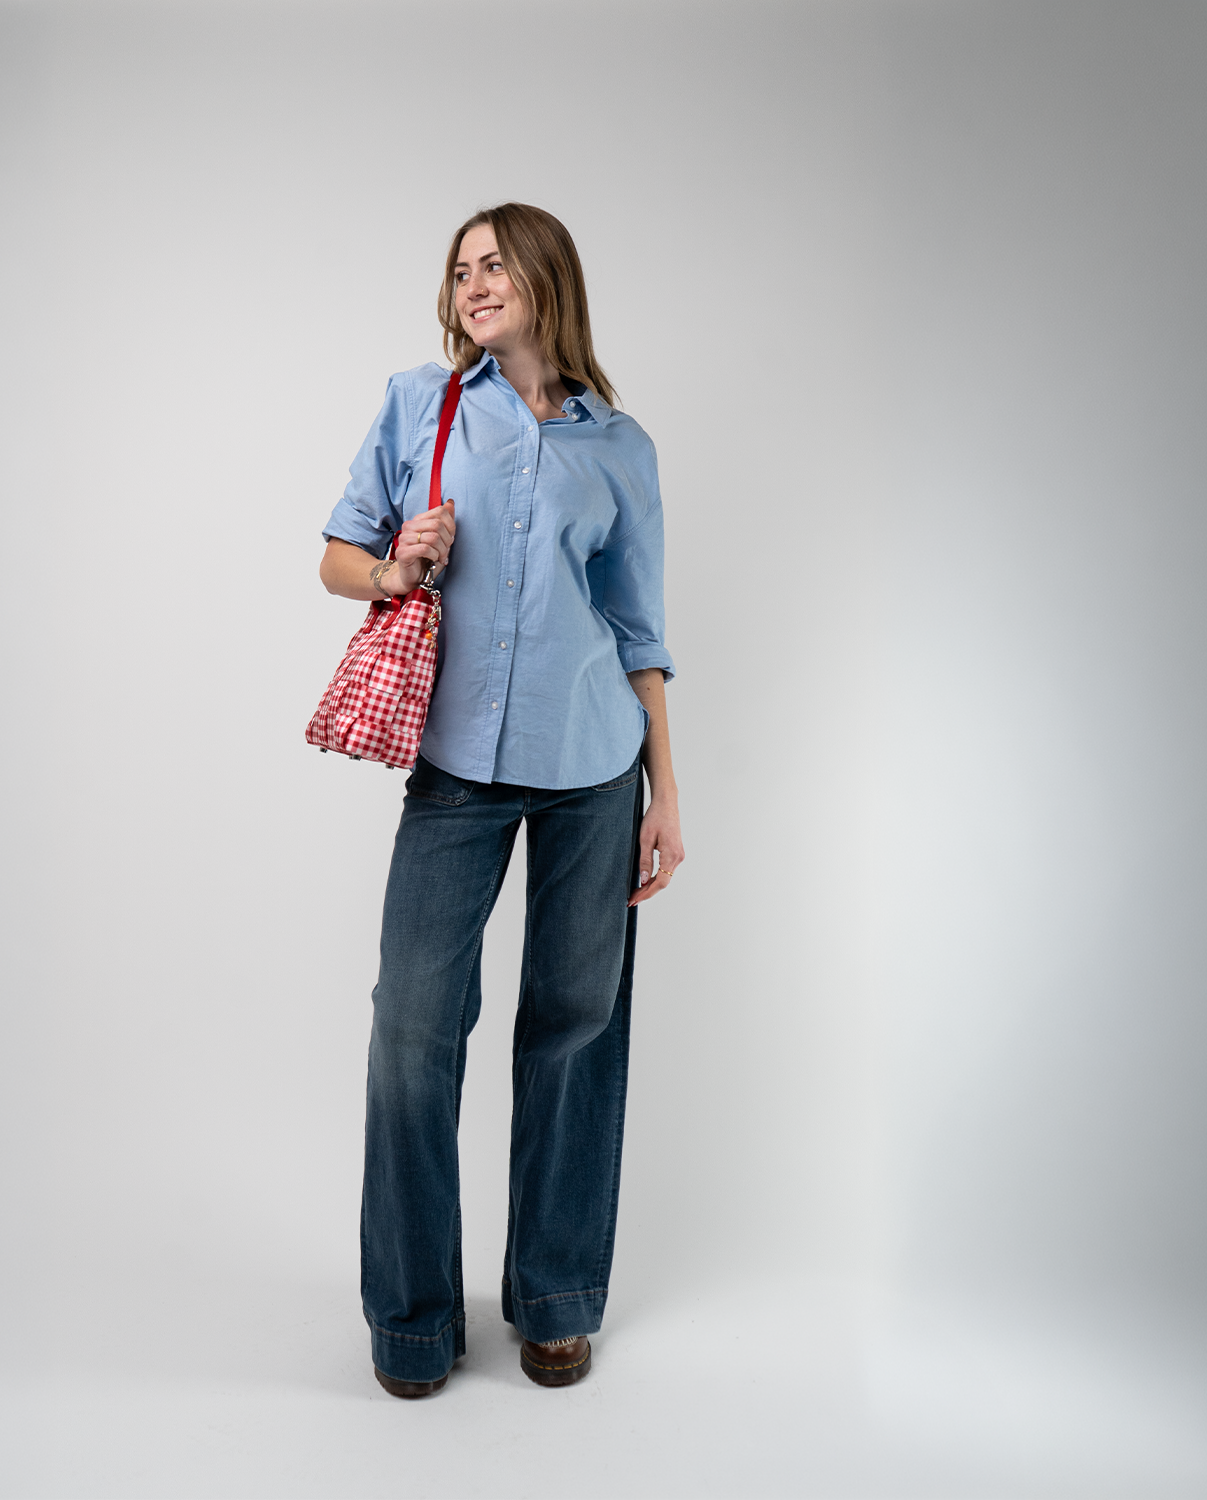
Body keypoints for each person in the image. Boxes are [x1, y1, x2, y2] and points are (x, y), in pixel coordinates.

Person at [318, 203, 683, 1397]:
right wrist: (395, 566)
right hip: (456, 768)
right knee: (413, 1028)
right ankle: (414, 1322)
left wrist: (664, 792)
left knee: (575, 1029)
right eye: (461, 268)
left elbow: (639, 630)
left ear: (545, 279)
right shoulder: (421, 406)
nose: (475, 283)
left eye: (495, 264)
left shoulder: (617, 444)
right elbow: (337, 555)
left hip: (594, 764)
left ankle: (557, 1299)